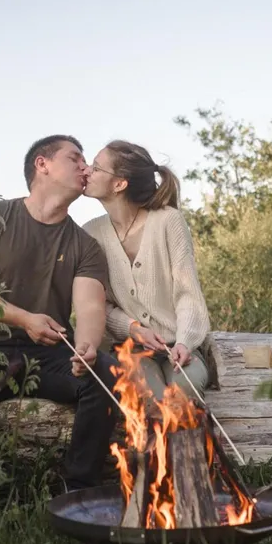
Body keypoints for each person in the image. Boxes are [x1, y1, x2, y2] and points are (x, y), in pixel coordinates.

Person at [0, 134, 119, 492]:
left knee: (103, 373)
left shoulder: (85, 245)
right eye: (74, 158)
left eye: (85, 160)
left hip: (48, 354)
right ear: (42, 164)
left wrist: (86, 347)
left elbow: (90, 306)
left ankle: (79, 491)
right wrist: (25, 318)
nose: (85, 167)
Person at [81, 140, 212, 402]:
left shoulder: (168, 221)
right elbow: (98, 304)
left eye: (95, 168)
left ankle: (191, 442)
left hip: (180, 345)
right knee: (151, 397)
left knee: (185, 390)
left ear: (119, 184)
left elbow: (188, 293)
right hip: (130, 349)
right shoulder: (90, 233)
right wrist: (132, 328)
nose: (86, 171)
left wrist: (185, 342)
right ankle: (153, 443)